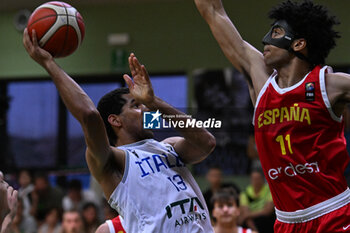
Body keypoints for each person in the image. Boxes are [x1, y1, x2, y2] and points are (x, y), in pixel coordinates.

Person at [23, 28, 216, 232]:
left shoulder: (169, 146)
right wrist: (49, 63)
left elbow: (207, 142)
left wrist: (154, 101)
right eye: (136, 105)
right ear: (115, 120)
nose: (145, 110)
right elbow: (89, 116)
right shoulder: (114, 160)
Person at [194, 0, 350, 232]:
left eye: (276, 32)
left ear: (298, 44)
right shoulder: (262, 84)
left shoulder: (329, 84)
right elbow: (213, 12)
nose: (266, 39)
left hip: (332, 211)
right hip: (286, 221)